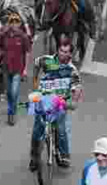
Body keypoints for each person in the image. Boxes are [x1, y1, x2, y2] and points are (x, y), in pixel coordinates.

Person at [30, 37, 83, 170]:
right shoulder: (46, 60)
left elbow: (77, 87)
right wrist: (35, 82)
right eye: (61, 50)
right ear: (58, 50)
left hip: (60, 102)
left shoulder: (71, 70)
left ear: (70, 54)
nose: (63, 54)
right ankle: (34, 158)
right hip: (43, 100)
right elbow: (36, 64)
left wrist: (74, 102)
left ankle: (63, 155)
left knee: (60, 129)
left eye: (66, 52)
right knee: (37, 130)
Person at [0, 11, 30, 125]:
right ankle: (12, 109)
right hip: (6, 67)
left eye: (16, 22)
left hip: (18, 68)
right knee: (9, 92)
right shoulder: (4, 35)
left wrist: (25, 69)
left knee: (14, 92)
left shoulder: (23, 37)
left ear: (19, 24)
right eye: (12, 22)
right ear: (9, 24)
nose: (14, 24)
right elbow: (1, 49)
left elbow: (27, 53)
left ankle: (12, 113)